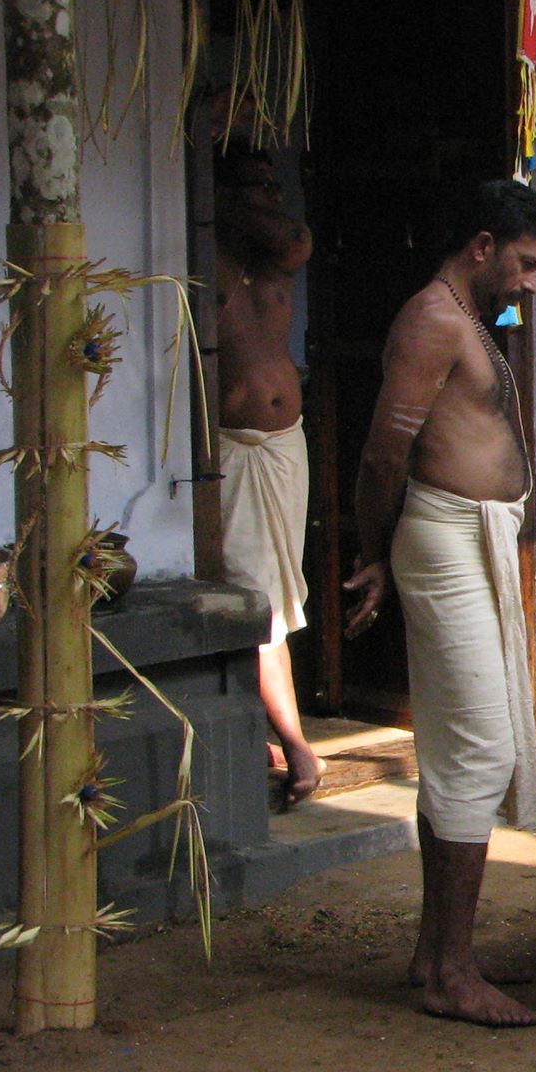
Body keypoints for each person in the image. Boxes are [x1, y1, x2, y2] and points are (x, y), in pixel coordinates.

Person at [343, 179, 536, 1028]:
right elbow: (380, 457)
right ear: (481, 246)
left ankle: (437, 954)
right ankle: (452, 971)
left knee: (469, 744)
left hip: (470, 540)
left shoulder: (466, 319)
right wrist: (375, 553)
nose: (529, 282)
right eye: (523, 262)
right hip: (443, 539)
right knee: (476, 745)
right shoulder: (434, 318)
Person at [212, 145, 320, 806]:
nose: (266, 198)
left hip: (285, 447)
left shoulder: (278, 251)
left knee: (277, 589)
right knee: (259, 601)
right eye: (248, 186)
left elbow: (291, 240)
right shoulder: (210, 253)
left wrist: (254, 188)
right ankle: (299, 743)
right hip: (236, 449)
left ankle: (266, 729)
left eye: (269, 186)